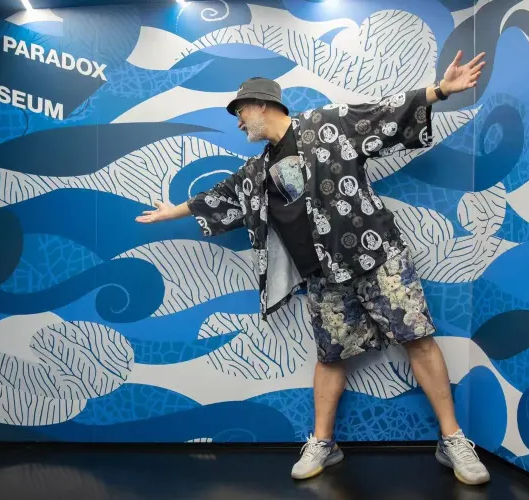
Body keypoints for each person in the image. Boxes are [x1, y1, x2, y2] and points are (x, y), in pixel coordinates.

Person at [137, 51, 491, 485]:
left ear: (262, 105)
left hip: (376, 256)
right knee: (330, 356)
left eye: (240, 112)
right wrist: (171, 211)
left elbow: (382, 113)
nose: (239, 122)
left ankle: (452, 439)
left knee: (416, 338)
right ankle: (324, 443)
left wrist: (440, 90)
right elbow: (219, 197)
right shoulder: (256, 171)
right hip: (322, 276)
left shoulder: (328, 123)